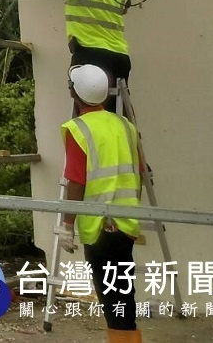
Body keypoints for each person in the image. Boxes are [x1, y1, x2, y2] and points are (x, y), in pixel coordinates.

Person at [59, 64, 143, 342]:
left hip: (99, 226)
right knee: (122, 291)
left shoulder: (79, 129)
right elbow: (139, 172)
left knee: (112, 297)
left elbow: (76, 181)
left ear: (75, 95)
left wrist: (67, 224)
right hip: (126, 222)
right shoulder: (125, 125)